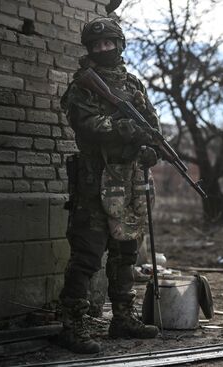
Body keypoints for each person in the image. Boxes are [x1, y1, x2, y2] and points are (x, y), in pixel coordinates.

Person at [58, 16, 161, 354]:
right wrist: (119, 127)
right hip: (94, 179)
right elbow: (85, 125)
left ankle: (122, 318)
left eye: (109, 43)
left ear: (119, 45)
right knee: (87, 255)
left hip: (128, 180)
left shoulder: (133, 85)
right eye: (97, 45)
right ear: (90, 48)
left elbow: (152, 127)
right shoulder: (83, 85)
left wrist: (150, 149)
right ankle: (73, 326)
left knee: (125, 251)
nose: (104, 49)